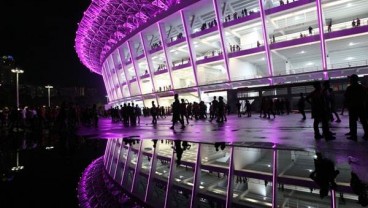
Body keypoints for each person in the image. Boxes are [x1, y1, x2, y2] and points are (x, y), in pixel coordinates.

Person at [344, 74, 368, 141]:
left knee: (353, 122)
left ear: (352, 80)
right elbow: (365, 96)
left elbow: (346, 97)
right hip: (361, 106)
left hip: (352, 107)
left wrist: (348, 105)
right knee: (364, 121)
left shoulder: (349, 88)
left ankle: (354, 136)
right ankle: (366, 134)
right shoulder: (362, 87)